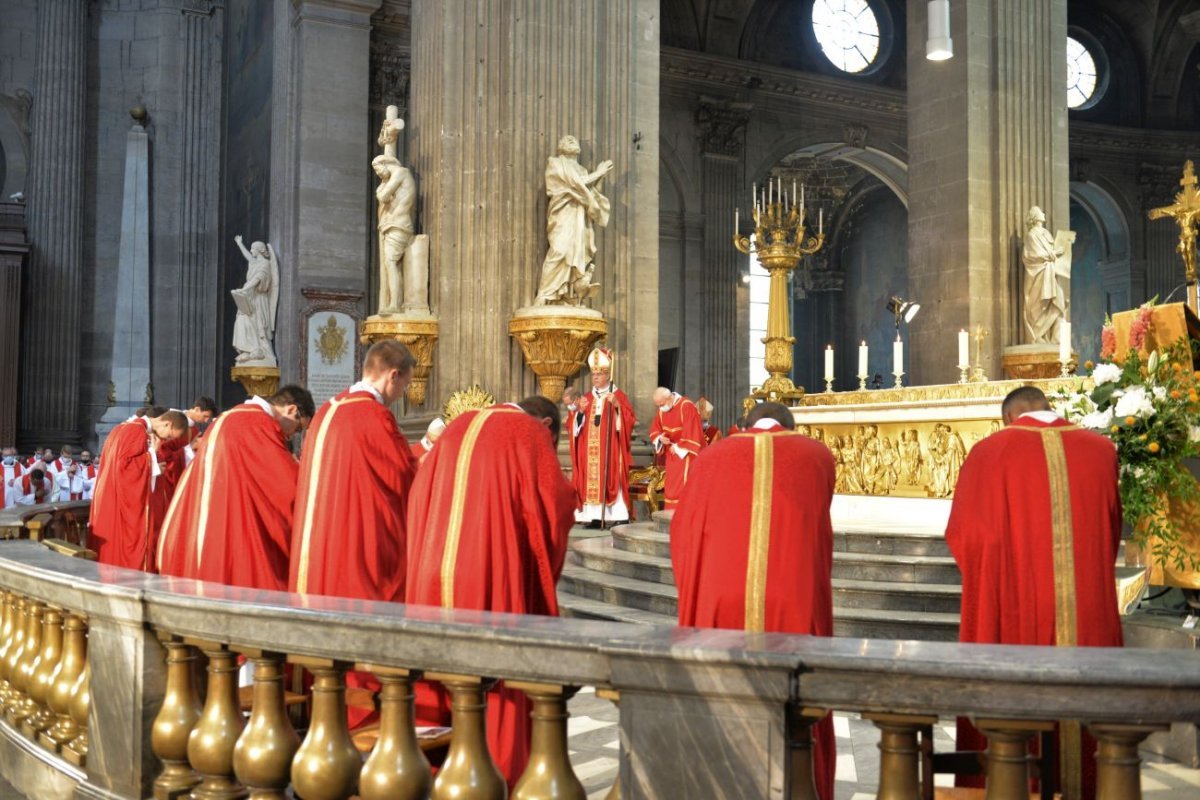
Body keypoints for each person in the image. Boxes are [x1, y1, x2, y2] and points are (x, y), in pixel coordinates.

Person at [946, 386, 1122, 799]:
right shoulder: (1101, 450)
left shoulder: (988, 453)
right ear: (1050, 408)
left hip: (1014, 620)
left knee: (1011, 711)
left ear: (1009, 418)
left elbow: (965, 540)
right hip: (1086, 619)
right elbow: (1110, 535)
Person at [406, 395, 576, 787]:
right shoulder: (527, 432)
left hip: (433, 572)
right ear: (547, 426)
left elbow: (417, 496)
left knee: (438, 672)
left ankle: (436, 770)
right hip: (488, 572)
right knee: (493, 679)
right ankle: (495, 772)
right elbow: (555, 505)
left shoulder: (459, 426)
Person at [670, 401, 836, 800]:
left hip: (720, 599)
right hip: (792, 598)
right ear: (791, 426)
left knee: (722, 693)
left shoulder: (712, 457)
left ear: (742, 424)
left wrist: (699, 584)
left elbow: (683, 532)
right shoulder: (817, 456)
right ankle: (798, 785)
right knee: (797, 700)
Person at [290, 342, 417, 725]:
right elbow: (403, 478)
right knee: (365, 644)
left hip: (322, 548)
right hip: (360, 549)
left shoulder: (330, 410)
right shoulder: (372, 417)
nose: (401, 396)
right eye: (405, 386)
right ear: (393, 375)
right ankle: (364, 728)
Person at [156, 385, 314, 589]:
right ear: (292, 410)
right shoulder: (258, 424)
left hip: (212, 529)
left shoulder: (230, 416)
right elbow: (286, 488)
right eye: (298, 428)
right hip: (236, 534)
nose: (292, 435)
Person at [90, 409, 189, 570]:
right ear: (167, 423)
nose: (166, 439)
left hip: (111, 497)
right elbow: (126, 468)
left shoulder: (124, 427)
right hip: (121, 503)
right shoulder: (136, 430)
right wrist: (153, 458)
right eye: (170, 435)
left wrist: (152, 460)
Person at [533, 134, 614, 306]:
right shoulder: (555, 163)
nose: (572, 142)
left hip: (579, 217)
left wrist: (600, 176)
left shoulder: (583, 171)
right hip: (562, 212)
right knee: (559, 250)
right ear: (560, 146)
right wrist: (598, 172)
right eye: (568, 140)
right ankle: (545, 293)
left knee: (575, 252)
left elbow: (591, 193)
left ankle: (567, 293)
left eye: (575, 141)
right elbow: (575, 185)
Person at [567, 347, 635, 527]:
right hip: (588, 451)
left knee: (611, 477)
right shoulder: (587, 398)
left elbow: (629, 420)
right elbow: (573, 426)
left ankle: (617, 515)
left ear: (607, 375)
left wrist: (617, 406)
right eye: (593, 374)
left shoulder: (618, 396)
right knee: (590, 479)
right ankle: (595, 517)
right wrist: (580, 412)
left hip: (610, 448)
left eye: (599, 374)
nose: (595, 377)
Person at [149, 397, 218, 546]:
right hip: (168, 481)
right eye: (205, 416)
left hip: (184, 479)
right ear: (196, 409)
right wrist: (189, 448)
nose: (206, 421)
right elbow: (162, 455)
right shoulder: (173, 423)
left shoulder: (192, 429)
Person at [372, 154, 417, 315]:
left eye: (377, 169)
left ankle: (394, 305)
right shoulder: (396, 176)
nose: (378, 174)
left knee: (390, 262)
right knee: (391, 264)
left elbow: (383, 196)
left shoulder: (401, 172)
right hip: (392, 224)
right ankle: (394, 302)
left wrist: (383, 185)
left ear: (384, 163)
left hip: (398, 224)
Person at [1021, 205, 1073, 344]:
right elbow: (1034, 254)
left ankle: (1056, 340)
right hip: (1037, 274)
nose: (1043, 213)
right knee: (1038, 306)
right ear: (1034, 216)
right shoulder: (1032, 235)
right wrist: (1055, 253)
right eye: (1040, 212)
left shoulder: (1045, 233)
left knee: (1059, 302)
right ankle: (1037, 335)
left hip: (1049, 274)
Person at [649, 387, 705, 509]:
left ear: (670, 398)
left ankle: (683, 515)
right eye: (658, 405)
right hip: (672, 455)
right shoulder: (662, 410)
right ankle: (671, 517)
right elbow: (655, 429)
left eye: (662, 404)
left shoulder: (686, 406)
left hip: (687, 455)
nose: (660, 408)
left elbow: (692, 432)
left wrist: (679, 447)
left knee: (683, 487)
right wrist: (660, 438)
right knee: (671, 488)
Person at [231, 235, 280, 366]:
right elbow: (248, 256)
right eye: (251, 249)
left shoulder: (265, 264)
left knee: (259, 326)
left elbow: (257, 279)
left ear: (259, 250)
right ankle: (249, 348)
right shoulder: (254, 262)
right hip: (250, 296)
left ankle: (261, 351)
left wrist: (244, 289)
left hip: (259, 299)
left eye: (253, 249)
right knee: (242, 320)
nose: (251, 251)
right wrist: (240, 244)